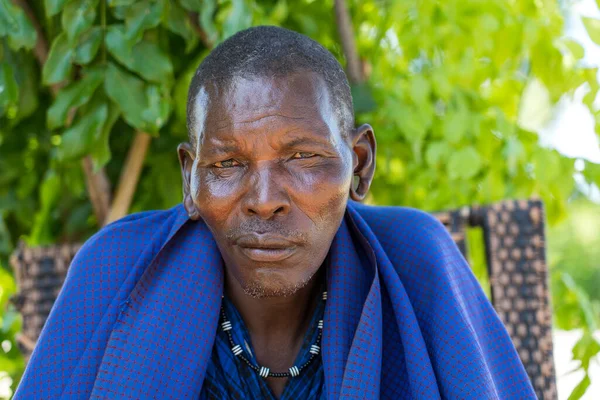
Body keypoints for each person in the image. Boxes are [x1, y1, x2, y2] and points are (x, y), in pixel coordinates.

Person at [14, 26, 536, 400]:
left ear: (359, 164)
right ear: (190, 180)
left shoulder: (417, 260)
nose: (264, 198)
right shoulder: (116, 269)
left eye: (302, 157)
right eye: (228, 162)